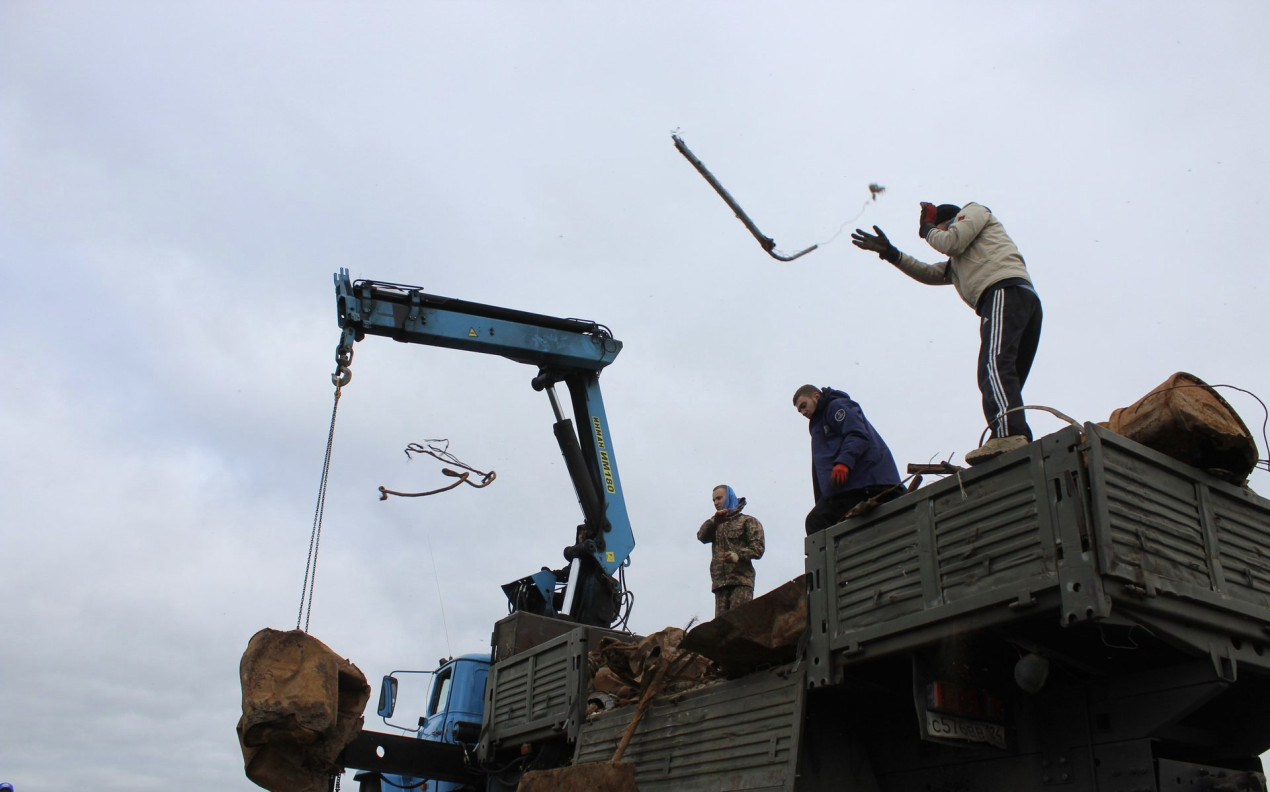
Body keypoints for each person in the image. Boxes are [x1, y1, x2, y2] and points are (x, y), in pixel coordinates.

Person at [851, 202, 1042, 464]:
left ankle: (1009, 433)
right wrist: (890, 253)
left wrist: (927, 228)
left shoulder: (973, 211)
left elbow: (950, 241)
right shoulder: (961, 260)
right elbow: (929, 273)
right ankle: (1013, 435)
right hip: (1017, 297)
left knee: (993, 367)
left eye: (939, 227)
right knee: (1006, 374)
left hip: (1003, 291)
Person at [793, 385, 902, 535]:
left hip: (866, 481)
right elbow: (820, 470)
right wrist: (822, 500)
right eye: (800, 411)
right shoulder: (817, 426)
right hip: (846, 488)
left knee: (816, 522)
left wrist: (844, 462)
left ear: (816, 396)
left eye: (804, 406)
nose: (803, 412)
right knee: (820, 519)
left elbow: (857, 434)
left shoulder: (836, 406)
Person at [697, 484, 765, 617]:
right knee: (721, 630)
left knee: (737, 624)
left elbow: (758, 548)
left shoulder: (748, 521)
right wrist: (714, 522)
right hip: (720, 584)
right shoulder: (716, 523)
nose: (716, 503)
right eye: (713, 500)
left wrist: (738, 555)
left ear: (729, 497)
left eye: (719, 498)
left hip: (741, 581)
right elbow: (701, 536)